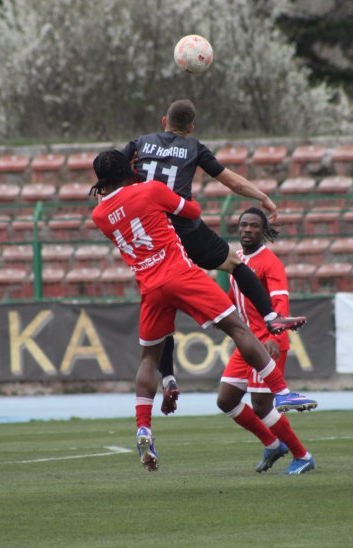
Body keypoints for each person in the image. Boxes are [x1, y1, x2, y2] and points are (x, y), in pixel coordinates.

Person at [89, 150, 316, 472]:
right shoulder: (150, 189)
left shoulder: (99, 215)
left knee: (148, 359)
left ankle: (143, 427)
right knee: (238, 329)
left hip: (150, 287)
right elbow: (191, 210)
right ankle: (282, 392)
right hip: (180, 273)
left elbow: (121, 212)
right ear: (128, 169)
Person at [121, 99, 308, 414]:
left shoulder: (140, 144)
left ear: (163, 119)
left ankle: (167, 378)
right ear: (191, 126)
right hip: (184, 227)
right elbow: (230, 180)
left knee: (162, 308)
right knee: (235, 265)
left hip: (152, 235)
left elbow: (112, 171)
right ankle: (271, 317)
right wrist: (263, 197)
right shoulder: (193, 147)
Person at [217, 207, 316, 474]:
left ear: (264, 232)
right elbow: (234, 295)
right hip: (247, 342)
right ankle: (272, 444)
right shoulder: (236, 259)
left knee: (261, 404)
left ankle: (302, 455)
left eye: (254, 226)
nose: (247, 230)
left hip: (268, 342)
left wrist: (277, 335)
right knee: (226, 400)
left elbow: (280, 301)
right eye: (243, 225)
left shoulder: (270, 262)